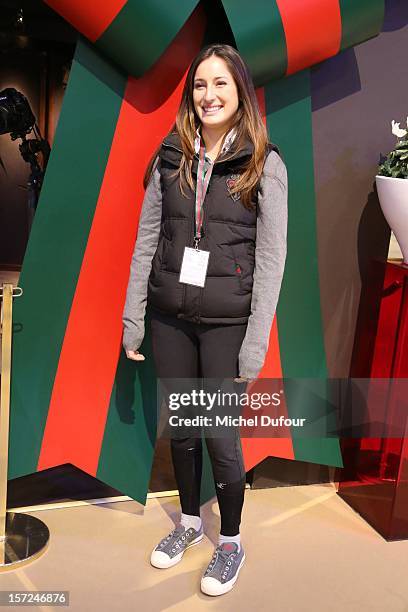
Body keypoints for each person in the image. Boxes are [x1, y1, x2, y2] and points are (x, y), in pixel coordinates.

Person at [122, 43, 287, 596]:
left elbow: (271, 260)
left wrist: (255, 342)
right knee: (184, 430)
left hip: (225, 324)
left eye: (220, 84)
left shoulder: (265, 163)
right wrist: (134, 318)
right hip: (170, 315)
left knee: (219, 434)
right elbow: (147, 239)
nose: (208, 95)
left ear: (240, 92)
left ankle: (231, 541)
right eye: (199, 85)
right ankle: (190, 524)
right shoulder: (169, 156)